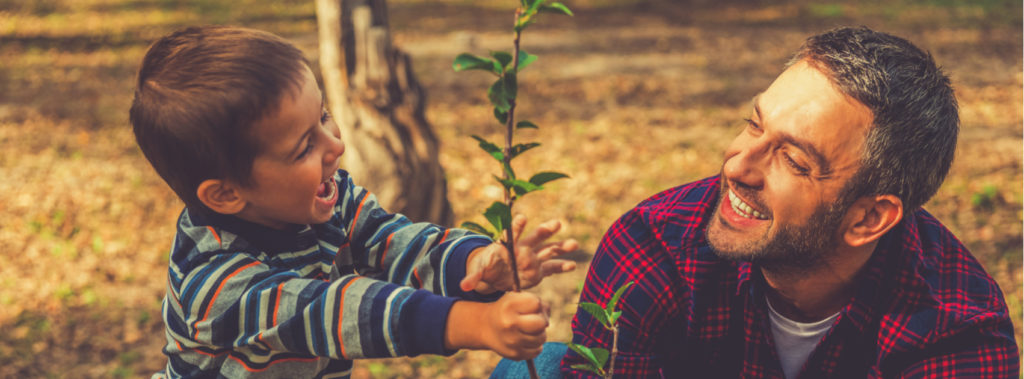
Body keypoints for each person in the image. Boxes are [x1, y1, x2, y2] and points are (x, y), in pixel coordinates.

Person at [561, 26, 1019, 378]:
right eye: (754, 125)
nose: (738, 168)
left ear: (869, 218)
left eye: (794, 160)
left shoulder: (957, 330)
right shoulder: (653, 247)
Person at [130, 25, 578, 378]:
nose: (336, 146)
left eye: (324, 116)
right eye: (304, 147)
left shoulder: (328, 199)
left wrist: (477, 264)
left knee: (556, 362)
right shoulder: (214, 284)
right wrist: (473, 323)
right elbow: (334, 311)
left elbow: (400, 243)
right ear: (227, 193)